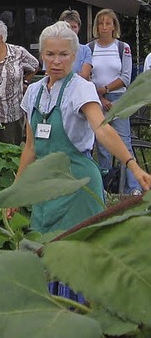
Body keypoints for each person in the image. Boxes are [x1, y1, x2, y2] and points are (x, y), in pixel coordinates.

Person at [16, 21, 151, 237]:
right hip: (46, 184)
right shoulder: (34, 92)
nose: (56, 61)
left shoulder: (80, 89)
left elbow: (103, 130)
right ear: (42, 55)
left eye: (64, 54)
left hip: (78, 183)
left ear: (75, 56)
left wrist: (133, 166)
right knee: (45, 251)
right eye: (50, 54)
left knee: (81, 254)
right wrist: (16, 189)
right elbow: (31, 148)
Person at [88, 8, 139, 194]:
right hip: (96, 100)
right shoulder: (90, 48)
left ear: (114, 26)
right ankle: (106, 185)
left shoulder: (122, 48)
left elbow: (125, 77)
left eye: (108, 23)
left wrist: (107, 90)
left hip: (119, 98)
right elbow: (87, 77)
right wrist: (100, 97)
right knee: (102, 145)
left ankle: (132, 186)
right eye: (100, 23)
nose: (104, 27)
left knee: (124, 141)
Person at [59, 9, 91, 79]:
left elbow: (84, 75)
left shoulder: (85, 50)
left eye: (74, 27)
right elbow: (50, 75)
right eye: (68, 27)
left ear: (78, 28)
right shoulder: (53, 48)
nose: (71, 30)